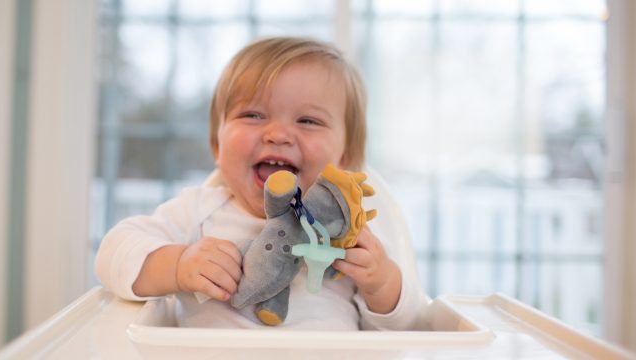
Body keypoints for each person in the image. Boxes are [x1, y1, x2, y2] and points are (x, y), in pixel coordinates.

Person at [94, 37, 426, 330]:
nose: (278, 134)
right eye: (253, 115)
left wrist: (382, 284)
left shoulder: (351, 236)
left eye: (308, 121)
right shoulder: (198, 211)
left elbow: (412, 325)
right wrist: (178, 265)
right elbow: (113, 254)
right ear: (216, 145)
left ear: (345, 158)